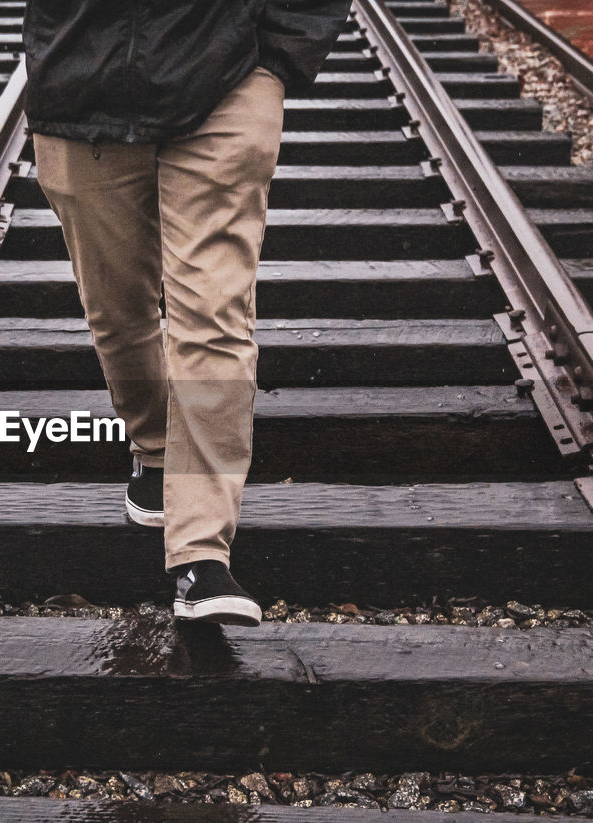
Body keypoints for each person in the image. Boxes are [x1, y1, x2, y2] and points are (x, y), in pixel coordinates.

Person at [22, 0, 351, 626]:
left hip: (225, 83)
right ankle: (152, 450)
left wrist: (276, 63)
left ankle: (202, 553)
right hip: (79, 88)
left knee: (213, 317)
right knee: (117, 312)